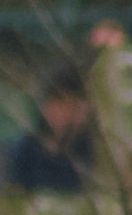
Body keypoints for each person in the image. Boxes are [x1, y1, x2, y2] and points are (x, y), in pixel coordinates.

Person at [6, 63, 95, 194]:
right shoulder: (28, 149)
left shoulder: (93, 149)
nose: (53, 109)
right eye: (49, 101)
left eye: (62, 102)